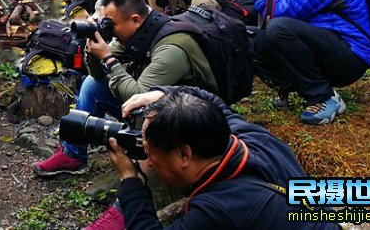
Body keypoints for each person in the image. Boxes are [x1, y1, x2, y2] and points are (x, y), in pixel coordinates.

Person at [32, 0, 217, 181]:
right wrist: (94, 50)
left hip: (189, 117)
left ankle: (139, 177)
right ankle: (73, 155)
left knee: (137, 107)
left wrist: (108, 58)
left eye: (111, 24)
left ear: (135, 20)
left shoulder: (171, 50)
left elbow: (138, 96)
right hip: (157, 102)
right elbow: (96, 74)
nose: (107, 28)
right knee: (91, 85)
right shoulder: (133, 30)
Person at [106, 86, 339, 229]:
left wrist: (130, 181)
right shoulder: (250, 137)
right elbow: (210, 99)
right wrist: (162, 94)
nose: (150, 163)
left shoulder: (219, 209)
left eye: (149, 153)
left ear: (183, 154)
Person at [231, 0, 370, 125]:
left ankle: (324, 97)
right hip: (321, 41)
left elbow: (277, 12)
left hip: (349, 56)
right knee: (244, 35)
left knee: (278, 28)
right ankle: (291, 86)